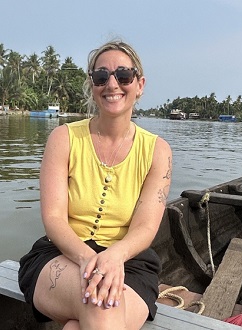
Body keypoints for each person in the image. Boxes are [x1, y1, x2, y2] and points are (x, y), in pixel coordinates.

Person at [18, 39, 172, 330]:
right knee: (101, 305)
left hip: (130, 262)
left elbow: (145, 228)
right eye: (101, 76)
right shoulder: (63, 139)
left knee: (84, 322)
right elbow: (53, 218)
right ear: (92, 85)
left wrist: (114, 257)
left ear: (139, 84)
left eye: (123, 75)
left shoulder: (157, 151)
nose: (112, 84)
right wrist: (93, 261)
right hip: (61, 254)